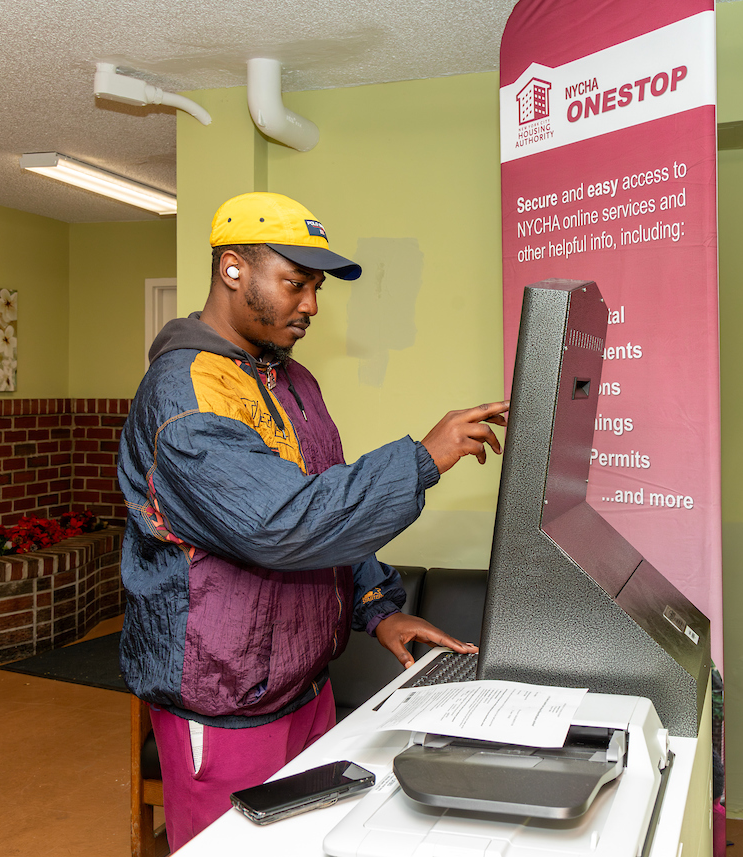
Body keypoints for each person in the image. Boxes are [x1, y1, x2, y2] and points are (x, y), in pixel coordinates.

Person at [117, 191, 508, 848]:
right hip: (228, 705)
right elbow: (282, 522)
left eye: (316, 286)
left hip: (305, 691)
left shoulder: (291, 381)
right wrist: (421, 460)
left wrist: (379, 605)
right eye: (295, 283)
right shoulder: (186, 395)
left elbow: (325, 501)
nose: (312, 305)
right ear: (233, 269)